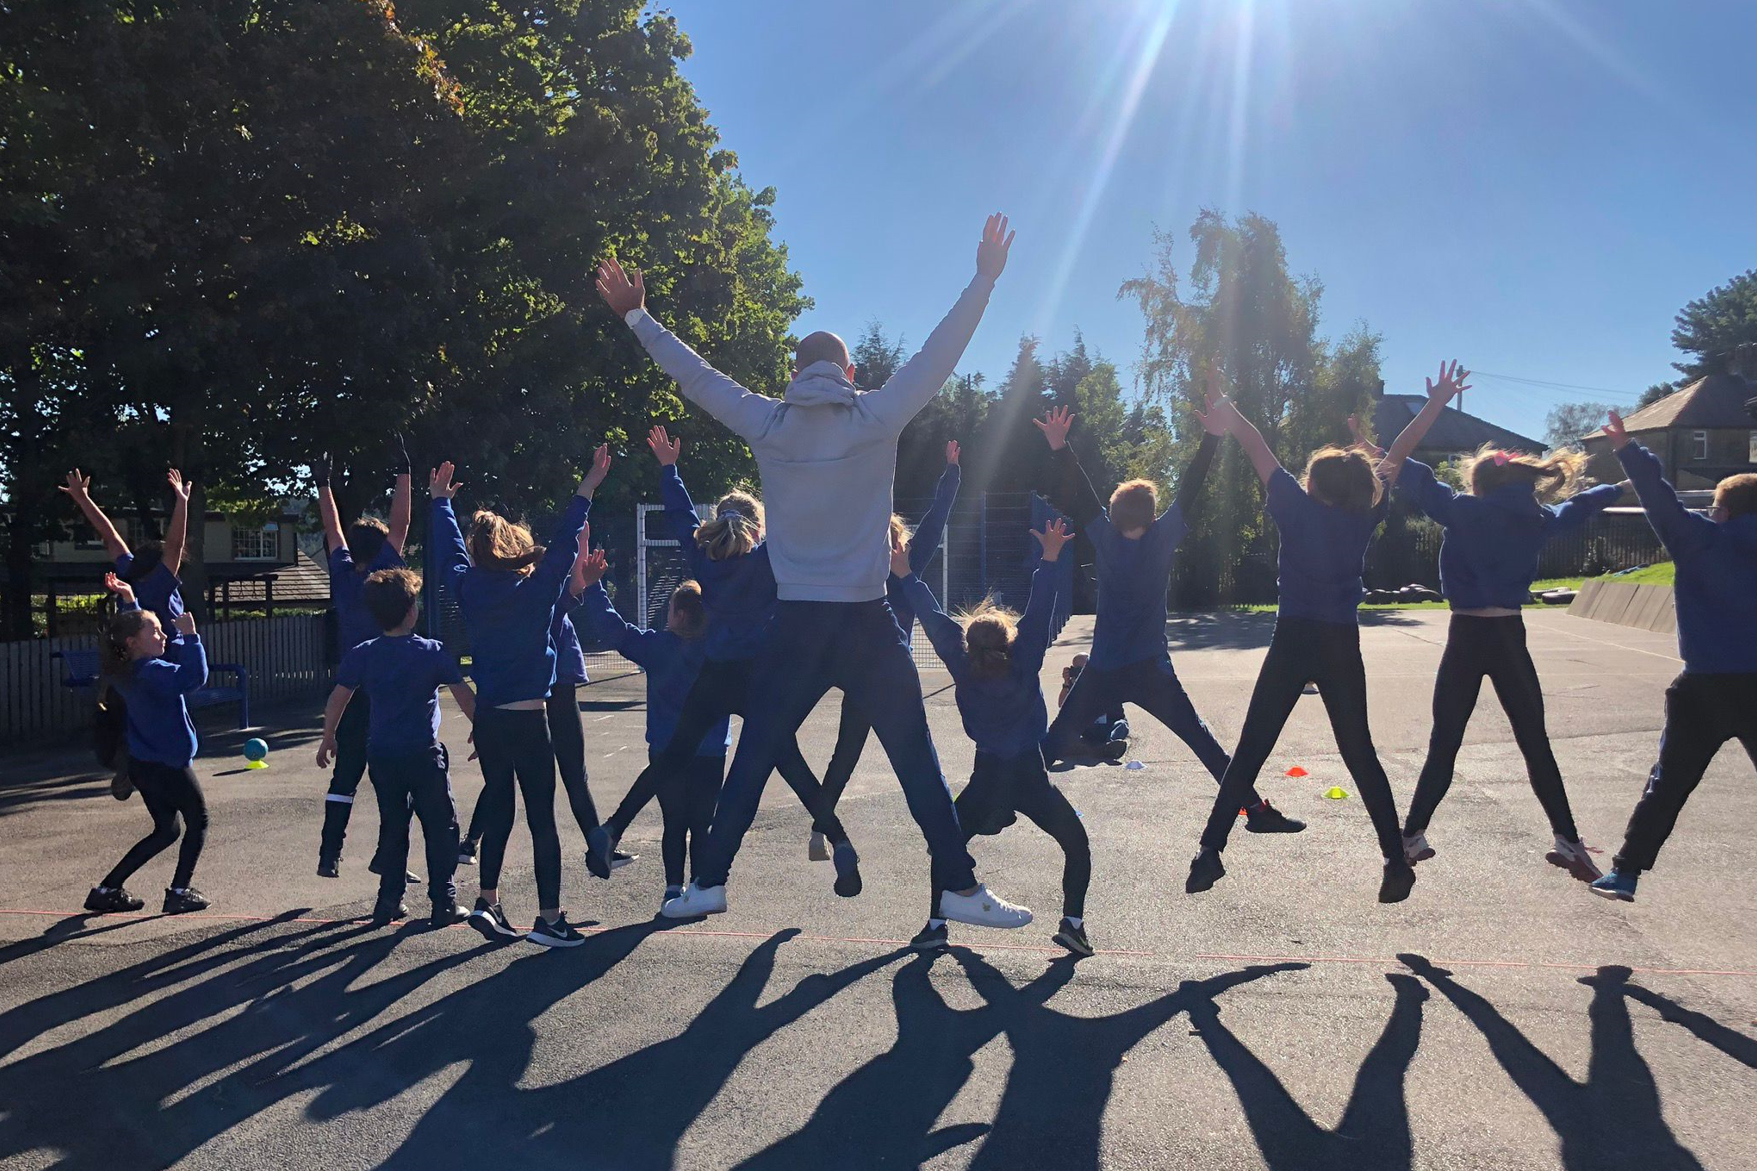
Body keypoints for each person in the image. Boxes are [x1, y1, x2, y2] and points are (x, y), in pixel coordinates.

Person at [595, 213, 1029, 928]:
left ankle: (707, 881)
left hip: (794, 623)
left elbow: (696, 376)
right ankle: (955, 883)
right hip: (864, 620)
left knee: (757, 752)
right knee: (915, 757)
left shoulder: (768, 421)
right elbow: (939, 353)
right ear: (850, 374)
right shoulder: (878, 414)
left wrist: (637, 316)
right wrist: (983, 277)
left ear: (793, 377)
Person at [1377, 363, 1617, 881]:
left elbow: (1402, 463)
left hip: (1465, 636)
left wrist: (1435, 403)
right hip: (1509, 636)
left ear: (1479, 483)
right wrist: (1621, 485)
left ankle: (1410, 837)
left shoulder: (1461, 511)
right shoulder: (1537, 518)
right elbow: (1581, 505)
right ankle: (1569, 841)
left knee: (1446, 742)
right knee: (1535, 741)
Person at [585, 427, 854, 893]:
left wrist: (670, 469)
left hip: (717, 671)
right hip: (759, 679)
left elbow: (680, 517)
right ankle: (839, 840)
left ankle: (611, 829)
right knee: (792, 765)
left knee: (669, 761)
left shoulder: (704, 562)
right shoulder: (769, 559)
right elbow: (799, 525)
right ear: (759, 529)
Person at [1033, 392, 1304, 834]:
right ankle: (1255, 811)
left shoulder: (1105, 536)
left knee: (1052, 742)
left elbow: (1082, 496)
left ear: (1114, 515)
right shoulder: (1162, 538)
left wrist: (1060, 446)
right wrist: (1212, 439)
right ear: (1154, 517)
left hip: (1103, 669)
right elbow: (1192, 487)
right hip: (1150, 670)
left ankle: (996, 799)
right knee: (1203, 742)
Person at [1185, 383, 1414, 903]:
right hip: (1338, 641)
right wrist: (1435, 405)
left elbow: (1254, 443)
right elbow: (1400, 453)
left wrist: (1228, 409)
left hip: (1292, 638)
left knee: (1251, 748)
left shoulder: (1293, 504)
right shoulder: (1362, 515)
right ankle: (1395, 864)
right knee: (1360, 754)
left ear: (1314, 485)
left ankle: (1209, 851)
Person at [429, 446, 607, 947]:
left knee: (501, 811)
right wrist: (587, 486)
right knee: (542, 821)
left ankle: (488, 900)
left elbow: (450, 556)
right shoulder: (534, 592)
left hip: (489, 718)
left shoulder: (468, 589)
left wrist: (441, 502)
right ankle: (548, 919)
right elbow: (568, 539)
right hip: (529, 722)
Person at [901, 519, 1094, 955]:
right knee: (1075, 844)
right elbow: (1041, 606)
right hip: (1030, 774)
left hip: (986, 774)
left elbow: (932, 617)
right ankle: (1073, 924)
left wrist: (904, 574)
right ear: (1011, 639)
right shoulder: (1025, 657)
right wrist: (1049, 556)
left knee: (948, 846)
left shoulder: (959, 661)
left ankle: (934, 925)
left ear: (967, 645)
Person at [1589, 412, 1757, 902]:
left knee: (1669, 783)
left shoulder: (1699, 541)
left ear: (1721, 512)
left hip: (1704, 686)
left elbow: (1659, 501)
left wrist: (1627, 449)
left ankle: (1626, 873)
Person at [811, 439, 963, 861]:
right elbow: (935, 522)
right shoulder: (904, 566)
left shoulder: (856, 568)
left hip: (857, 674)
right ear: (899, 541)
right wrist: (950, 474)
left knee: (845, 754)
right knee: (918, 764)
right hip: (894, 675)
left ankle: (820, 827)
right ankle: (945, 841)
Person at [457, 523, 633, 874]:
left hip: (523, 695)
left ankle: (472, 844)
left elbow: (573, 579)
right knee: (567, 774)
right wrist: (582, 533)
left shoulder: (518, 594)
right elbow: (574, 581)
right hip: (550, 686)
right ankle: (597, 848)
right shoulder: (535, 596)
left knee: (504, 773)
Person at [316, 568, 476, 929]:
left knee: (393, 825)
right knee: (441, 826)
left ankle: (388, 901)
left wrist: (329, 735)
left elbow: (338, 698)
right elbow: (464, 696)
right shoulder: (432, 652)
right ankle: (443, 902)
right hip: (422, 752)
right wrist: (480, 731)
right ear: (411, 612)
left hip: (383, 756)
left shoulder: (364, 654)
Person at [574, 551, 727, 908]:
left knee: (674, 822)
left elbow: (615, 631)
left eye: (671, 609)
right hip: (711, 750)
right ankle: (698, 889)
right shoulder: (718, 650)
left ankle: (672, 889)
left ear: (682, 614)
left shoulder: (659, 647)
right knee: (701, 825)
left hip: (665, 748)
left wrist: (595, 587)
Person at [314, 443, 415, 882]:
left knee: (345, 779)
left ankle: (329, 854)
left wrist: (323, 484)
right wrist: (405, 474)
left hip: (352, 685)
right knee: (399, 779)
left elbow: (333, 529)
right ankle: (386, 855)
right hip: (390, 686)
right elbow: (402, 523)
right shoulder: (385, 574)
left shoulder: (342, 572)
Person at [60, 466, 192, 800]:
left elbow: (110, 537)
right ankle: (145, 768)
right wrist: (182, 502)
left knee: (134, 710)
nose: (175, 563)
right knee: (162, 716)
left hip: (128, 660)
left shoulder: (130, 574)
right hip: (161, 656)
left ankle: (129, 763)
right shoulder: (159, 585)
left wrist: (82, 499)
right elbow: (175, 545)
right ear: (161, 564)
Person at [83, 605, 211, 915]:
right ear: (132, 642)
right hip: (167, 764)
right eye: (154, 631)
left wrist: (129, 601)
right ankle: (180, 891)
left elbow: (133, 628)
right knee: (198, 820)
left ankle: (107, 889)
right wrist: (191, 636)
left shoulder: (127, 671)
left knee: (167, 830)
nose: (163, 634)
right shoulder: (153, 671)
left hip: (143, 765)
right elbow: (194, 678)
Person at [1058, 653, 1130, 762]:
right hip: (1089, 728)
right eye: (1077, 669)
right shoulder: (1075, 686)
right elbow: (1062, 705)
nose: (1081, 673)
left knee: (1121, 725)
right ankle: (1075, 746)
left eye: (1084, 669)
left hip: (1109, 725)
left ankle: (1109, 745)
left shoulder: (1105, 679)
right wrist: (1067, 683)